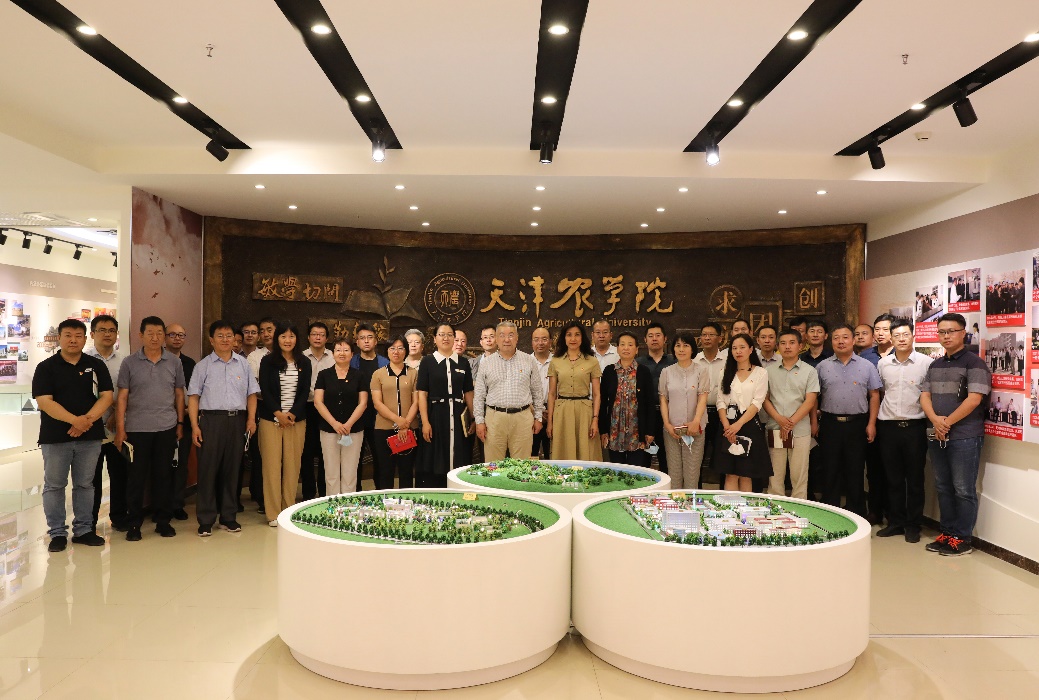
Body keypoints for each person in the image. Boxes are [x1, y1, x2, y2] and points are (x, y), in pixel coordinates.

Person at [34, 319, 114, 552]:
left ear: (85, 338)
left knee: (85, 484)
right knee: (55, 485)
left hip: (89, 436)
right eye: (68, 335)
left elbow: (107, 396)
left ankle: (84, 530)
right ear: (59, 338)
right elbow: (44, 401)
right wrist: (74, 421)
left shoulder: (96, 365)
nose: (73, 340)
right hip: (55, 437)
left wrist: (85, 421)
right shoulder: (46, 367)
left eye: (78, 336)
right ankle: (57, 533)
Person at [921, 313, 992, 556]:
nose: (946, 336)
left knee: (963, 489)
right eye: (942, 332)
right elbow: (924, 396)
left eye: (951, 331)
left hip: (965, 435)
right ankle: (947, 533)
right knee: (942, 486)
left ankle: (962, 539)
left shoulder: (975, 364)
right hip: (937, 432)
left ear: (963, 333)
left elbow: (974, 400)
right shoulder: (935, 365)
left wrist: (946, 423)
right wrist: (935, 421)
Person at [114, 316, 185, 541]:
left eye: (159, 333)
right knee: (136, 478)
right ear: (141, 335)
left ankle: (163, 521)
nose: (155, 338)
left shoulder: (174, 362)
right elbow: (122, 397)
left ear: (164, 336)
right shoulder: (129, 363)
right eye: (150, 333)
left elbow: (179, 394)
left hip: (166, 427)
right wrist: (120, 428)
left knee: (164, 476)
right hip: (136, 429)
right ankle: (134, 524)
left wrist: (180, 423)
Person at [187, 320, 259, 537]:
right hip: (211, 421)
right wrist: (194, 426)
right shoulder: (203, 366)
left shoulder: (243, 364)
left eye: (229, 336)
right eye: (220, 336)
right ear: (211, 340)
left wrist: (251, 419)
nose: (226, 340)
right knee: (208, 471)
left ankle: (228, 517)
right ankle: (206, 519)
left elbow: (251, 394)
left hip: (237, 421)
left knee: (232, 470)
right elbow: (193, 397)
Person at [815, 324, 882, 516]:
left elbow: (874, 395)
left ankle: (856, 513)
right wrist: (814, 422)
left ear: (853, 340)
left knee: (855, 469)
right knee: (830, 469)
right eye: (836, 337)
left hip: (857, 424)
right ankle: (830, 512)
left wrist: (871, 423)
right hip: (829, 423)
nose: (841, 341)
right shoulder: (822, 366)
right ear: (831, 341)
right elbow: (813, 397)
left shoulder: (867, 366)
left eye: (845, 337)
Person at [875, 319, 932, 543]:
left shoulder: (926, 363)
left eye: (905, 334)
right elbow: (881, 392)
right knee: (893, 478)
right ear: (891, 338)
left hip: (914, 428)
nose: (901, 339)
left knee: (915, 479)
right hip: (888, 427)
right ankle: (896, 522)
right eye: (896, 335)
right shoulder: (883, 364)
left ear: (913, 336)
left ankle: (913, 524)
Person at [258, 322, 311, 526]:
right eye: (283, 336)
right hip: (271, 420)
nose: (287, 340)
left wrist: (292, 414)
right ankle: (273, 513)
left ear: (297, 339)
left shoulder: (304, 362)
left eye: (291, 336)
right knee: (271, 467)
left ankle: (288, 510)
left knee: (292, 466)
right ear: (277, 339)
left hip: (296, 421)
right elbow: (265, 389)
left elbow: (304, 391)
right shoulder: (267, 361)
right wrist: (278, 414)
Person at [474, 322, 544, 462]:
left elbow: (537, 392)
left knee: (521, 465)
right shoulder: (487, 363)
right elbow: (479, 395)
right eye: (502, 335)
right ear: (496, 339)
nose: (507, 339)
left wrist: (538, 418)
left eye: (511, 335)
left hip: (522, 418)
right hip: (494, 419)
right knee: (493, 465)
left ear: (517, 338)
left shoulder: (529, 360)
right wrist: (479, 421)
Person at [763, 329, 819, 500]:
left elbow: (810, 401)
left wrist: (790, 422)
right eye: (783, 343)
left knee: (799, 475)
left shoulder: (810, 371)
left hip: (800, 429)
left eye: (792, 343)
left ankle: (799, 507)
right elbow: (765, 399)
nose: (787, 346)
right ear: (778, 346)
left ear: (800, 346)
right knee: (775, 475)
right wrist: (780, 420)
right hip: (775, 428)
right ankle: (775, 508)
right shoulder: (768, 371)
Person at [416, 323, 475, 487]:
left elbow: (468, 392)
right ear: (435, 338)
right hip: (435, 415)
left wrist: (473, 418)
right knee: (436, 457)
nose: (446, 338)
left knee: (459, 456)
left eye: (449, 334)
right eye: (441, 334)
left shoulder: (463, 363)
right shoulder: (427, 362)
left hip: (458, 415)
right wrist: (425, 422)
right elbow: (422, 393)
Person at [712, 334, 771, 492]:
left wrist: (738, 425)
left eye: (742, 347)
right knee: (730, 474)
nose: (738, 351)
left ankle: (745, 507)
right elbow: (720, 401)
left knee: (746, 474)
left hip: (748, 424)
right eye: (734, 348)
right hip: (727, 424)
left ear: (751, 349)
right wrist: (727, 426)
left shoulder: (760, 373)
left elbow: (757, 403)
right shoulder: (725, 372)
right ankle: (729, 506)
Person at [85, 314, 127, 533]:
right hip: (89, 427)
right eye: (102, 330)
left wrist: (116, 416)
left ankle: (119, 517)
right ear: (92, 334)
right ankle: (89, 521)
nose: (107, 334)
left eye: (111, 330)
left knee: (120, 475)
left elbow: (129, 392)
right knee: (90, 478)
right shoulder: (83, 360)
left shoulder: (125, 361)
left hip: (117, 427)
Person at [314, 337, 367, 494]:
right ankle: (333, 505)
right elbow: (318, 402)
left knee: (350, 473)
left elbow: (363, 403)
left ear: (352, 354)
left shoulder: (359, 375)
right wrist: (335, 424)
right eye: (338, 350)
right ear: (333, 353)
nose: (342, 353)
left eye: (346, 350)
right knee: (331, 473)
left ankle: (348, 506)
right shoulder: (324, 375)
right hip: (329, 429)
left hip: (353, 429)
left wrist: (348, 424)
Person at [659, 331, 709, 488]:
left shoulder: (701, 370)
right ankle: (675, 502)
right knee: (674, 473)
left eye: (685, 345)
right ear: (673, 349)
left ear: (692, 349)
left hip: (695, 429)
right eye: (678, 345)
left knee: (692, 474)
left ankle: (690, 503)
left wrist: (696, 422)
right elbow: (663, 399)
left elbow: (702, 397)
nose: (681, 349)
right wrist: (667, 424)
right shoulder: (666, 372)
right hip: (672, 430)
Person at [546, 320, 602, 461]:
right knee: (563, 452)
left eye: (577, 334)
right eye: (569, 334)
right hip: (562, 411)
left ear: (582, 338)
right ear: (564, 338)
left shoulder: (592, 361)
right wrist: (550, 421)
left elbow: (597, 394)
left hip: (584, 411)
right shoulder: (555, 361)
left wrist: (595, 419)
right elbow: (552, 393)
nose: (573, 338)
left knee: (586, 451)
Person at [598, 332, 655, 466]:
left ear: (636, 349)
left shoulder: (644, 371)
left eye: (630, 345)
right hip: (614, 431)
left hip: (637, 431)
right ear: (617, 349)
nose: (626, 348)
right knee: (617, 470)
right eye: (622, 344)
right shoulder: (609, 371)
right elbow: (603, 403)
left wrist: (650, 431)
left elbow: (650, 403)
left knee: (636, 470)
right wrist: (603, 430)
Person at [371, 336, 420, 488]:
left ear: (406, 351)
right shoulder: (378, 374)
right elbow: (377, 403)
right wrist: (398, 420)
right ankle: (386, 502)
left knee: (406, 472)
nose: (396, 352)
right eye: (392, 348)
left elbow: (416, 401)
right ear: (387, 351)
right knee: (385, 472)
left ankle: (406, 502)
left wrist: (405, 424)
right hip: (384, 429)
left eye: (400, 348)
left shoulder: (413, 373)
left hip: (409, 429)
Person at [351, 324, 389, 489]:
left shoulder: (385, 363)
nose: (366, 341)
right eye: (362, 338)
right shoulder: (351, 362)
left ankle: (380, 492)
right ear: (357, 342)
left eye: (370, 337)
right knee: (355, 459)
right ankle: (356, 493)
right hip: (356, 419)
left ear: (376, 341)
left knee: (380, 459)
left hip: (379, 419)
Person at [164, 323, 195, 520]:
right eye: (173, 334)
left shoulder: (190, 363)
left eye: (181, 335)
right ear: (165, 337)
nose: (177, 338)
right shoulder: (157, 359)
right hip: (161, 420)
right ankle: (161, 505)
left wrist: (187, 411)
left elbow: (195, 392)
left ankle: (177, 504)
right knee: (161, 464)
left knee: (181, 464)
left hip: (185, 421)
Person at [301, 322, 334, 499]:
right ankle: (308, 493)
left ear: (326, 338)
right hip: (306, 408)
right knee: (306, 451)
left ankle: (323, 492)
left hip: (327, 409)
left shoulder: (333, 357)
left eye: (321, 335)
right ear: (308, 337)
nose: (318, 337)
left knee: (325, 451)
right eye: (314, 334)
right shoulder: (301, 357)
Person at [637, 322, 676, 473]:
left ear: (665, 339)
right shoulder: (638, 363)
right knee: (643, 461)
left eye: (658, 335)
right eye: (650, 336)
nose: (654, 339)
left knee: (667, 460)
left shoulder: (674, 361)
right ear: (645, 340)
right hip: (645, 417)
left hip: (668, 416)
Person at [694, 322, 727, 484]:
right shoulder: (694, 361)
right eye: (704, 335)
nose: (707, 338)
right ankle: (696, 489)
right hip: (699, 413)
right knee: (697, 456)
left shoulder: (727, 360)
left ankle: (723, 490)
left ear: (720, 338)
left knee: (723, 455)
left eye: (711, 335)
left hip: (722, 414)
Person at [531, 327, 553, 458]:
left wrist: (550, 412)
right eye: (536, 339)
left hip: (553, 413)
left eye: (544, 339)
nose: (540, 343)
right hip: (531, 413)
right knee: (531, 455)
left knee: (552, 456)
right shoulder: (525, 362)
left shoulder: (557, 361)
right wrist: (536, 411)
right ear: (532, 342)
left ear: (550, 342)